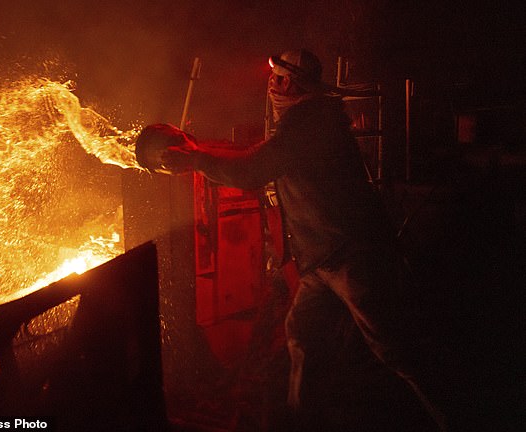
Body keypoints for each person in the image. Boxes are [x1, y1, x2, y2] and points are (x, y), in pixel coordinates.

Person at [147, 49, 449, 431]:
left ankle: (456, 414)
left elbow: (255, 168)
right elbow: (256, 155)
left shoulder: (311, 123)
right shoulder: (303, 121)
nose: (270, 83)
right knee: (304, 338)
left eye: (276, 77)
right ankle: (301, 422)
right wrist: (199, 152)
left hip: (351, 253)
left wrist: (197, 161)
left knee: (395, 348)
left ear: (288, 83)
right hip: (321, 260)